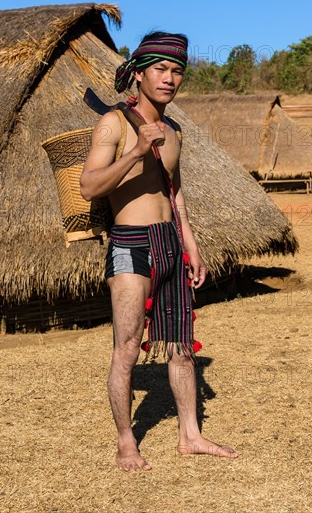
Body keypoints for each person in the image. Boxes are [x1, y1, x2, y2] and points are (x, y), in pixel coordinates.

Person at [80, 32, 238, 471]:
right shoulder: (113, 122)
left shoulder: (175, 131)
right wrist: (135, 151)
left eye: (177, 71)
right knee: (127, 346)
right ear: (139, 73)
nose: (170, 79)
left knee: (181, 345)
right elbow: (89, 185)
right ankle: (126, 442)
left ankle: (191, 435)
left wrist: (193, 245)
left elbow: (177, 194)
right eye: (161, 70)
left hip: (171, 241)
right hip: (131, 243)